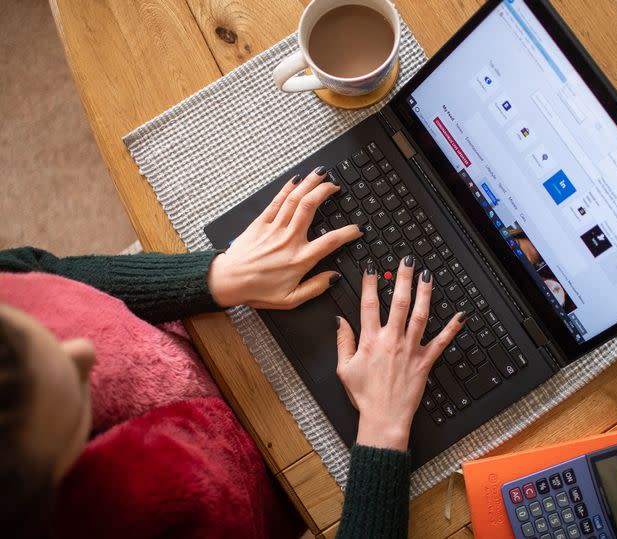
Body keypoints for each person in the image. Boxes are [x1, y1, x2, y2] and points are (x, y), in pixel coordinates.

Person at [0, 168, 464, 538]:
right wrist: (384, 427)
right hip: (271, 479)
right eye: (70, 382)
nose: (83, 350)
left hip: (198, 343)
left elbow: (39, 272)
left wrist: (217, 277)